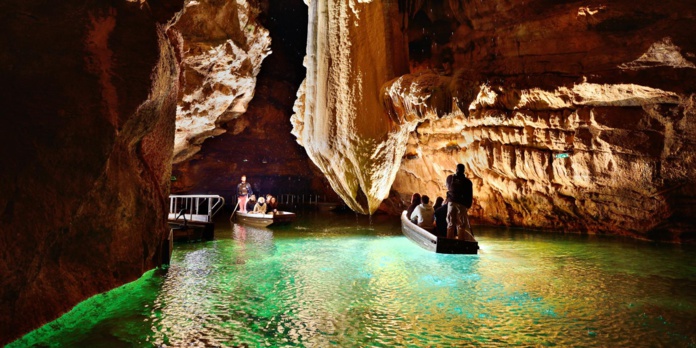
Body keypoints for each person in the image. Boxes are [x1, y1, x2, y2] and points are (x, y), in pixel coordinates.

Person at [446, 163, 474, 240]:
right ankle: (461, 243)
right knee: (461, 225)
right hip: (461, 204)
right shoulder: (468, 182)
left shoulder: (450, 178)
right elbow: (469, 195)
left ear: (456, 170)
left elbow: (448, 188)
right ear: (464, 171)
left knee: (450, 224)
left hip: (451, 203)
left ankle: (449, 242)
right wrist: (468, 205)